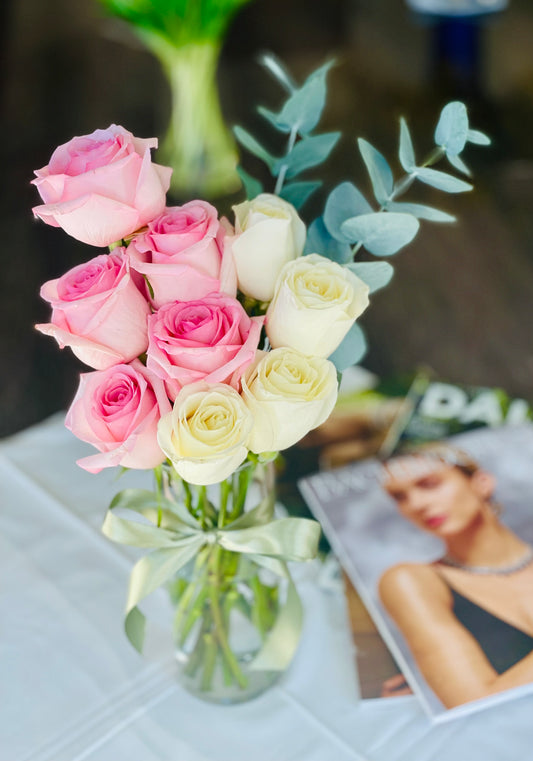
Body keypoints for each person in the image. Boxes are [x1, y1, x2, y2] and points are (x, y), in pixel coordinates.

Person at [378, 444, 533, 709]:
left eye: (429, 484)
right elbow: (474, 705)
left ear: (481, 482)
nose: (416, 504)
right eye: (400, 497)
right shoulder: (412, 581)